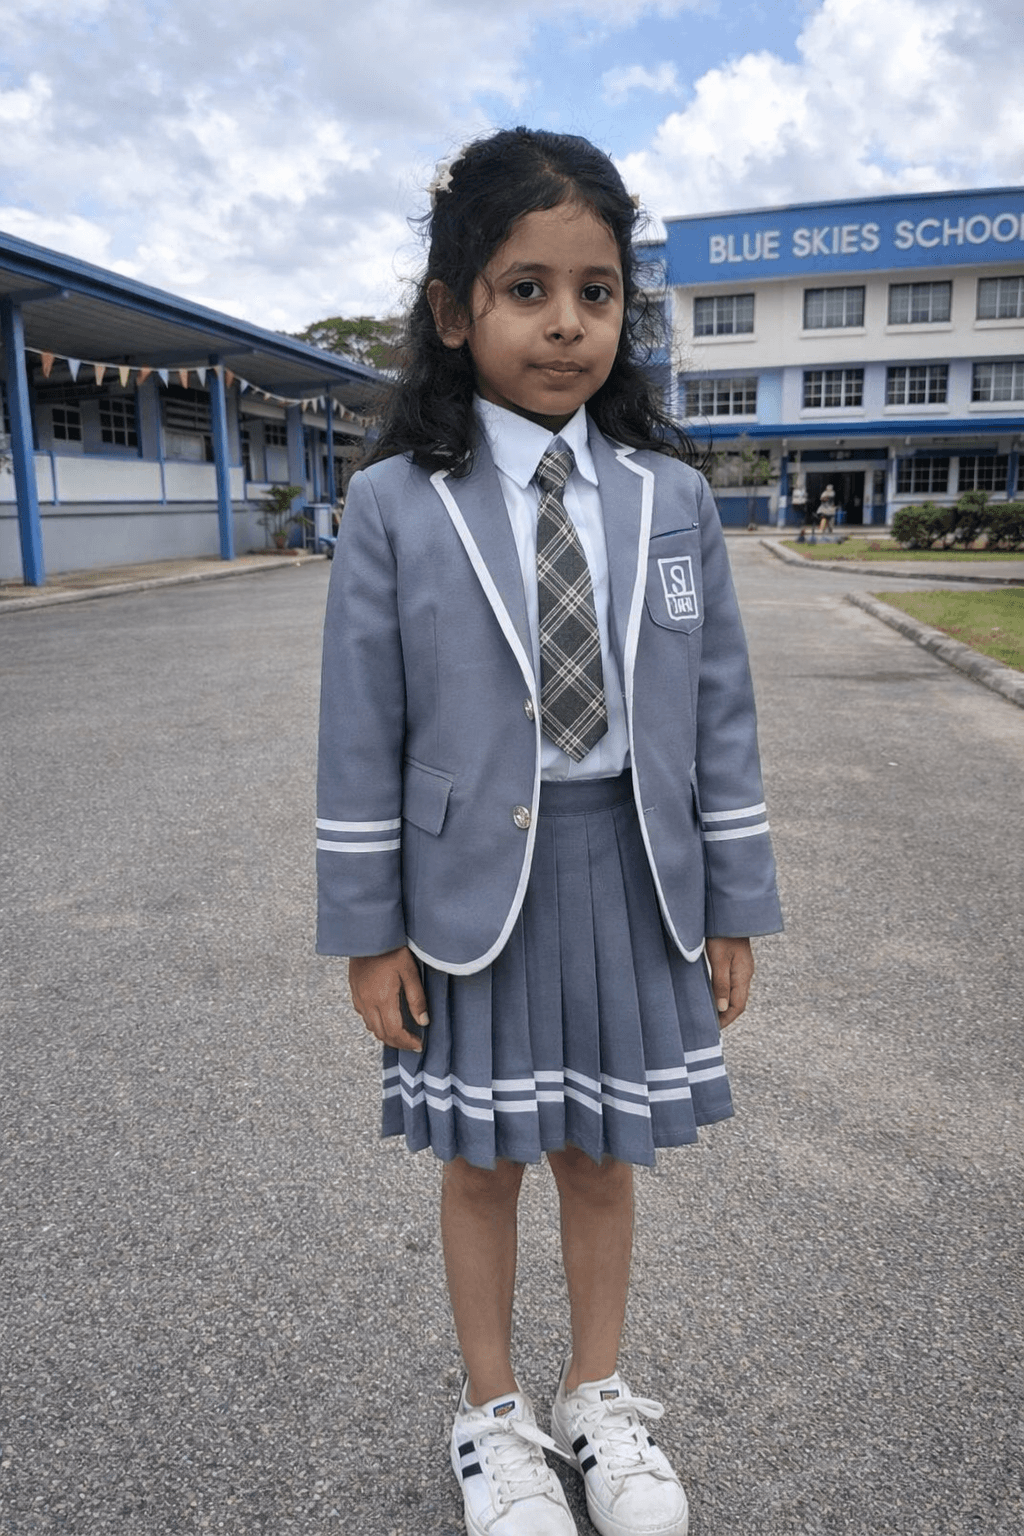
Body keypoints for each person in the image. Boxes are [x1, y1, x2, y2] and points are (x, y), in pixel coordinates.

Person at [316, 127, 782, 1536]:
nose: (567, 322)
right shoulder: (394, 507)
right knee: (481, 1160)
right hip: (470, 894)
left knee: (598, 1153)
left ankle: (598, 1397)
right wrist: (367, 931)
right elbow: (359, 728)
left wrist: (734, 899)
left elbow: (720, 713)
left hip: (635, 878)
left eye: (597, 290)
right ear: (455, 311)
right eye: (526, 288)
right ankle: (495, 1419)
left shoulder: (672, 499)